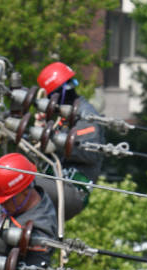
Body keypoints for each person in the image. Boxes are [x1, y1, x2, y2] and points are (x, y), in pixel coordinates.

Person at [33, 61, 105, 221]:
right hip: (55, 183)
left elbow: (89, 151)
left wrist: (54, 141)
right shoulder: (62, 117)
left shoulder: (86, 115)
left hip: (72, 189)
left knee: (20, 181)